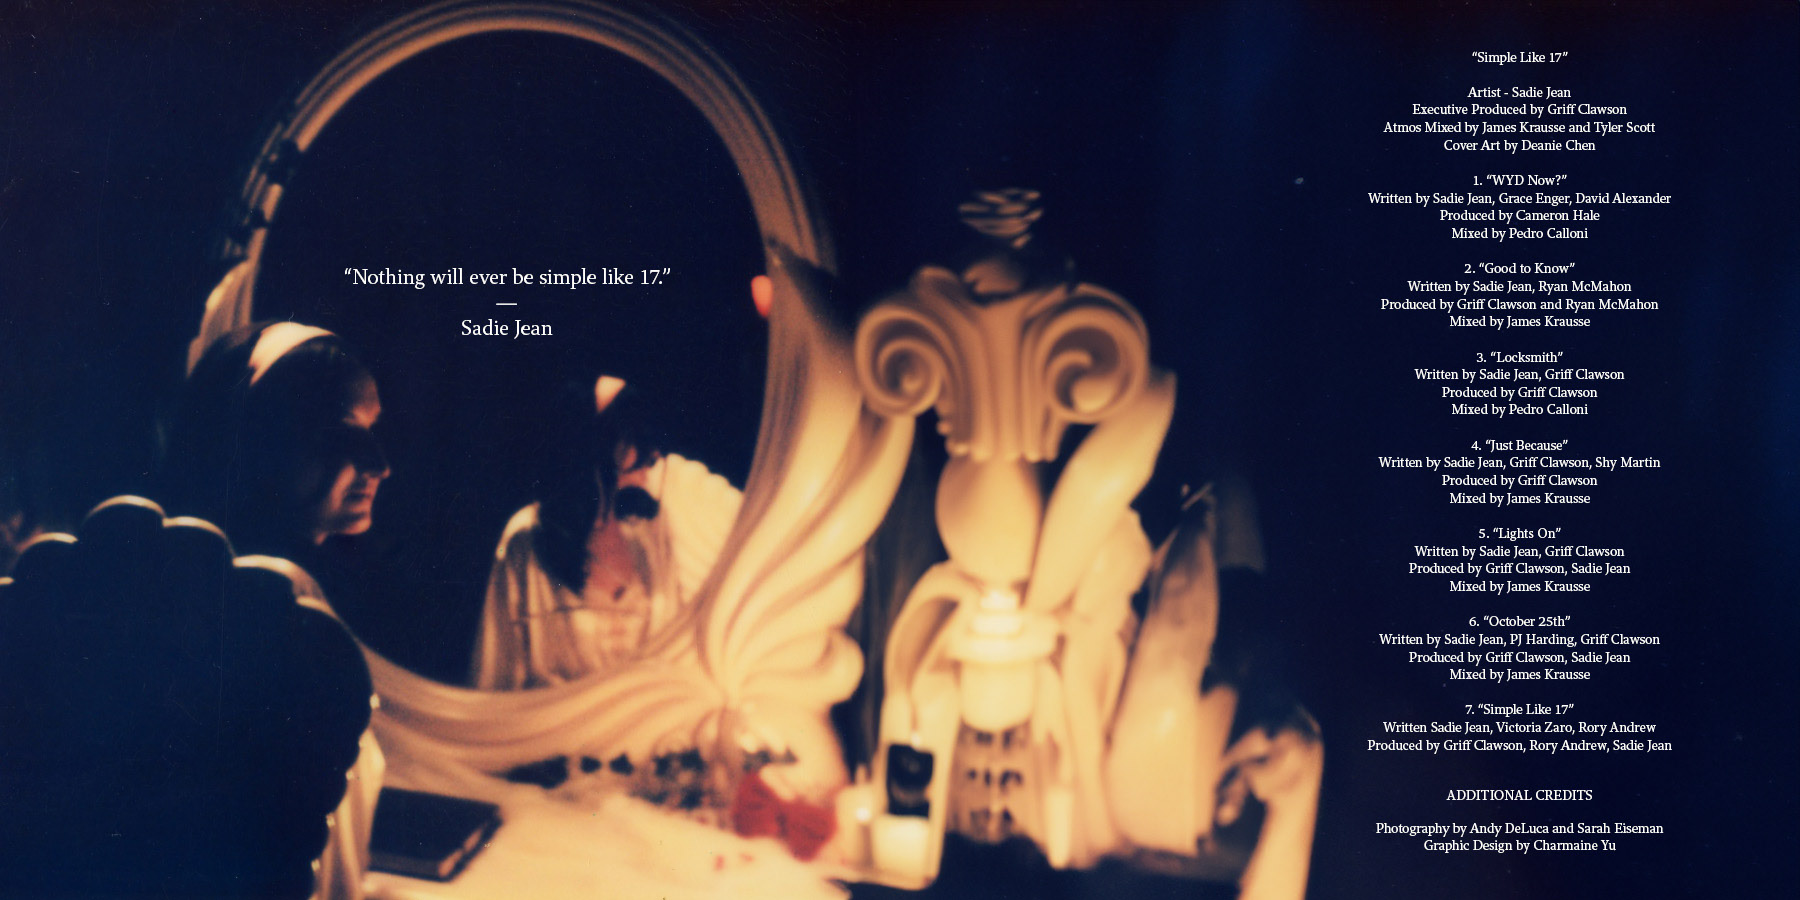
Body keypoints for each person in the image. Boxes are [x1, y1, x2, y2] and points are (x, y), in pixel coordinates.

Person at [158, 321, 390, 900]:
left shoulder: (297, 604)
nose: (379, 465)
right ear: (259, 441)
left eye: (372, 433)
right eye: (341, 437)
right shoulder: (247, 622)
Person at [473, 375, 742, 690]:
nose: (652, 453)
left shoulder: (652, 530)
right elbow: (496, 681)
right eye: (633, 436)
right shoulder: (527, 543)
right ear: (593, 450)